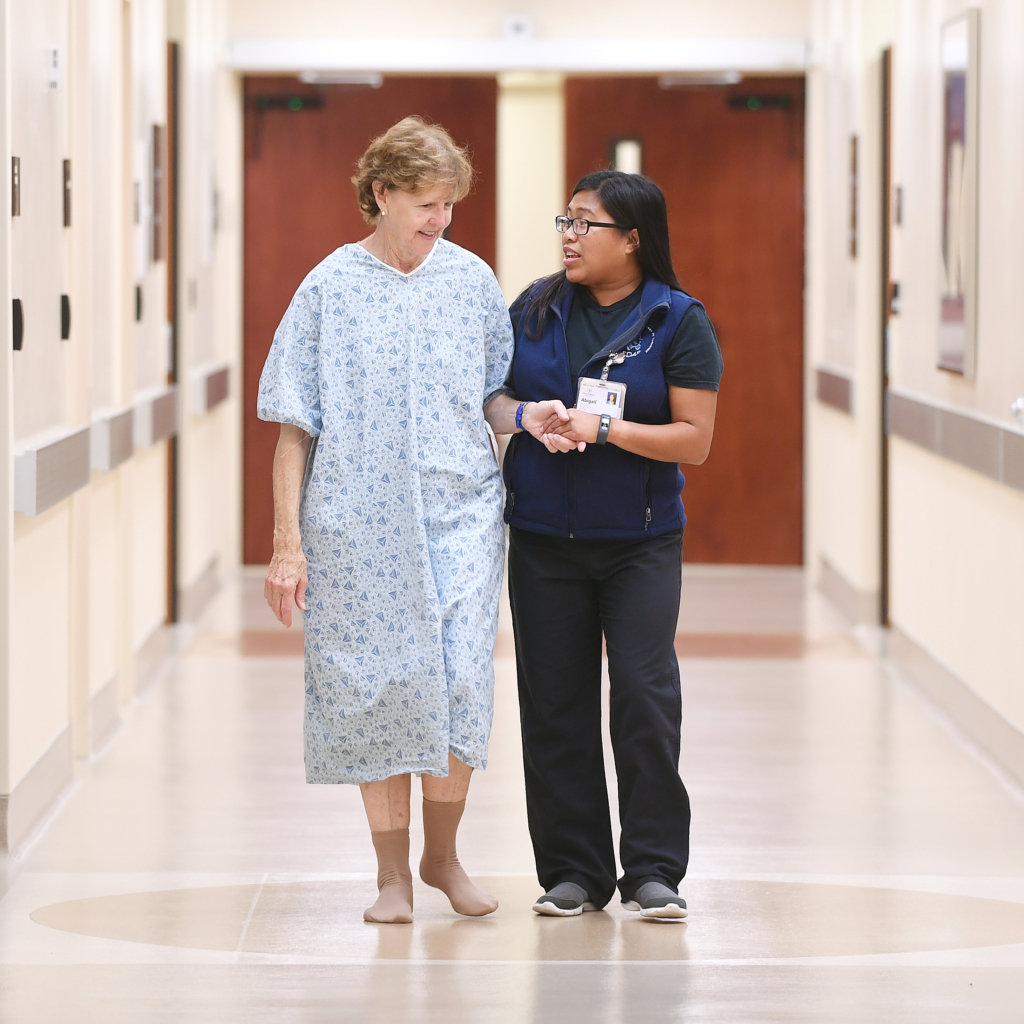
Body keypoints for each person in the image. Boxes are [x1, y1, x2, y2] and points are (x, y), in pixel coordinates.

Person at [258, 117, 562, 924]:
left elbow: (493, 393)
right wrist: (288, 545)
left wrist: (523, 417)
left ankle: (443, 857)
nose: (441, 219)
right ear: (382, 194)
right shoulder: (327, 288)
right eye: (426, 203)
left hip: (462, 511)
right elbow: (294, 427)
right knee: (377, 687)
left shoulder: (470, 282)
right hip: (356, 521)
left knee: (461, 680)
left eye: (450, 204)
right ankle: (391, 875)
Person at [488, 170, 723, 921]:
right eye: (567, 219)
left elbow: (696, 440)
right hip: (543, 539)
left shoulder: (677, 320)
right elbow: (486, 397)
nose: (569, 234)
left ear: (634, 239)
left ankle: (654, 870)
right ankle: (573, 872)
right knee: (553, 703)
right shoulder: (534, 306)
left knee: (644, 699)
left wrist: (608, 429)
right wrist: (527, 415)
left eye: (587, 223)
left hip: (639, 543)